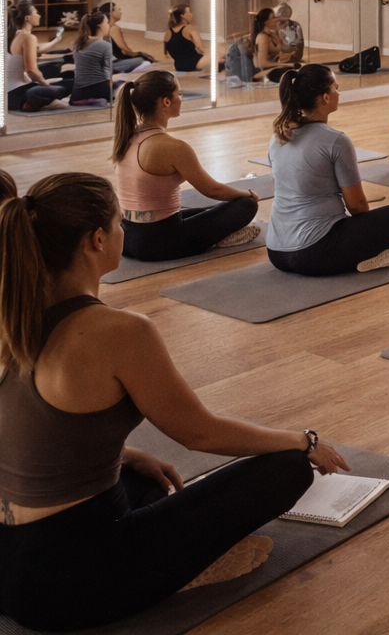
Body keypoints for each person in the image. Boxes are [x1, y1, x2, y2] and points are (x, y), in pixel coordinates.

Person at [0, 172, 350, 632]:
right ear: (97, 239)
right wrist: (302, 441)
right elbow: (200, 433)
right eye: (120, 222)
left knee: (148, 478)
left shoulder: (13, 315)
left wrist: (126, 455)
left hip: (8, 565)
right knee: (284, 467)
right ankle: (182, 574)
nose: (125, 232)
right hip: (69, 585)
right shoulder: (119, 332)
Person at [266, 65, 389, 275]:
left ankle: (350, 255)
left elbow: (281, 190)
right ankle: (361, 256)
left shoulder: (277, 138)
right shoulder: (336, 140)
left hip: (276, 252)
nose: (339, 93)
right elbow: (357, 206)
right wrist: (367, 235)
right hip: (314, 253)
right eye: (336, 88)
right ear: (325, 98)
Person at [111, 71, 260, 262]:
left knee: (209, 210)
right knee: (246, 206)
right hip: (157, 244)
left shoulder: (126, 137)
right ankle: (221, 237)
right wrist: (247, 194)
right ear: (166, 101)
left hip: (127, 237)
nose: (181, 99)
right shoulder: (174, 147)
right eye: (179, 94)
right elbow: (212, 189)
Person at [6, 0, 73, 113]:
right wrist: (45, 84)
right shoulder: (27, 37)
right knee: (67, 85)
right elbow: (31, 70)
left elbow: (37, 49)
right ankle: (36, 102)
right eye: (36, 12)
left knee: (53, 80)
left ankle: (42, 100)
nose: (39, 15)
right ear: (27, 18)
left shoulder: (14, 35)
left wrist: (56, 40)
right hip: (18, 94)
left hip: (6, 95)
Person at [69, 12, 129, 107]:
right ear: (100, 25)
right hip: (99, 89)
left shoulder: (78, 44)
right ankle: (98, 98)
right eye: (106, 22)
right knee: (124, 85)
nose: (108, 25)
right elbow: (107, 73)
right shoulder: (105, 45)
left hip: (77, 93)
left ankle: (87, 99)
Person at [98, 2, 155, 68]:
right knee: (143, 60)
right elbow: (125, 49)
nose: (120, 12)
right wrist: (139, 54)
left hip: (108, 60)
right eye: (118, 10)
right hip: (115, 61)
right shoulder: (114, 28)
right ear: (112, 12)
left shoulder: (104, 26)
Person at [248, 9, 295, 85]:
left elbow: (286, 49)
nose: (277, 19)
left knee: (296, 69)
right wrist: (285, 65)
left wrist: (282, 31)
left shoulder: (272, 34)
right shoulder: (262, 37)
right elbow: (262, 63)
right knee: (289, 71)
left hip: (273, 69)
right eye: (273, 17)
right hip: (261, 73)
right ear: (266, 22)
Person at [162, 5, 208, 73]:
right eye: (189, 12)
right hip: (195, 63)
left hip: (178, 65)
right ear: (182, 16)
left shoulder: (168, 31)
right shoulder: (190, 28)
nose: (192, 14)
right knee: (221, 58)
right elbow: (200, 47)